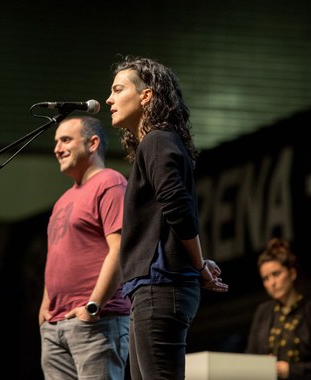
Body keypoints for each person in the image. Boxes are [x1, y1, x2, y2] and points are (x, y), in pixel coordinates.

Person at [105, 55, 229, 380]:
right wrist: (197, 263)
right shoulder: (157, 143)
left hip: (160, 287)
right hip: (154, 288)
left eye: (118, 90)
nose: (109, 99)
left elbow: (178, 206)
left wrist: (199, 264)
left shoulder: (157, 140)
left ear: (146, 95)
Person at [39, 116, 131, 379]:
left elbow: (121, 249)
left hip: (96, 322)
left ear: (92, 143)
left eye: (66, 140)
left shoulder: (110, 183)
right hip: (55, 326)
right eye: (56, 141)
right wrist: (45, 309)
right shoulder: (62, 200)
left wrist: (93, 306)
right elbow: (56, 256)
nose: (57, 148)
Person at [246, 237, 311, 380]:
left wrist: (291, 370)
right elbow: (249, 356)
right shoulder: (263, 312)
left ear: (292, 273)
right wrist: (260, 364)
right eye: (266, 278)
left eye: (276, 274)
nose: (272, 283)